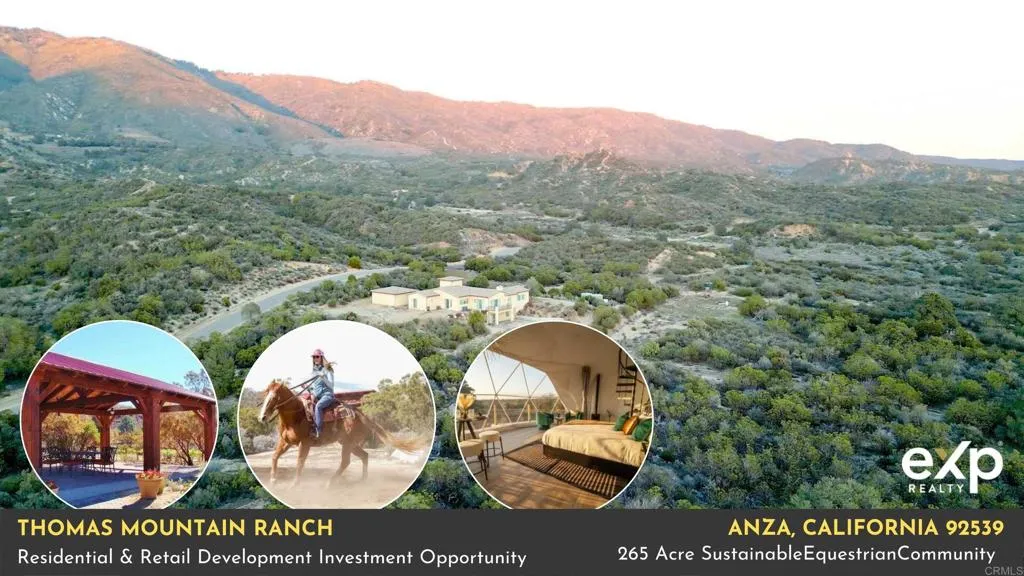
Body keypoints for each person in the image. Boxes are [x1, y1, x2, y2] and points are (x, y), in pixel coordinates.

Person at [308, 348, 336, 438]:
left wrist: (323, 377)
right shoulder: (314, 371)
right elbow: (313, 386)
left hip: (327, 395)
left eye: (317, 356)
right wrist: (310, 391)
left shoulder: (328, 370)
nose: (315, 358)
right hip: (317, 396)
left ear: (321, 357)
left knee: (318, 406)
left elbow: (331, 386)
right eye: (314, 357)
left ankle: (318, 431)